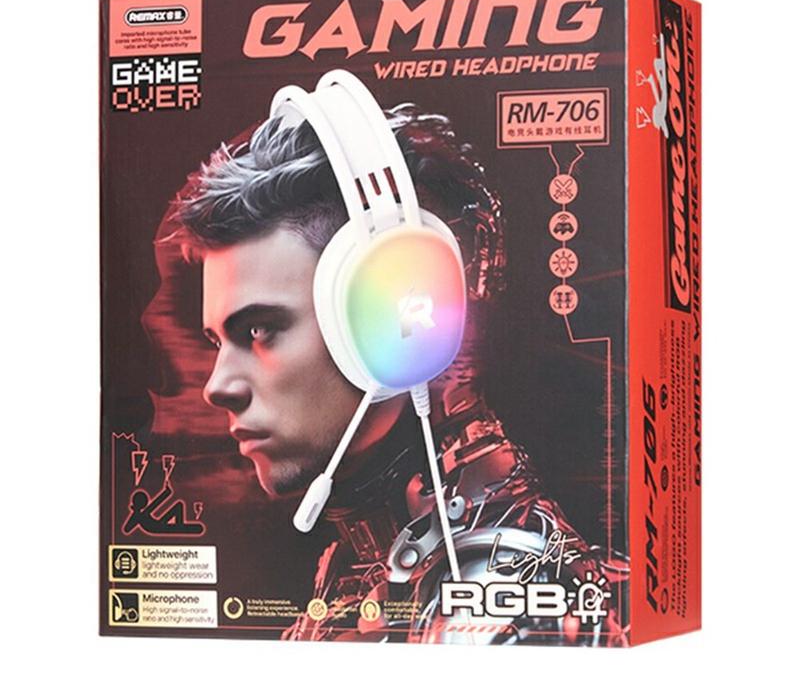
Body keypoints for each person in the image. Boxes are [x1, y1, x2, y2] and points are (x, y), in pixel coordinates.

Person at [167, 99, 628, 645]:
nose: (217, 386)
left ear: (394, 321)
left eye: (260, 329)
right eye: (217, 341)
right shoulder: (369, 565)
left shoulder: (504, 605)